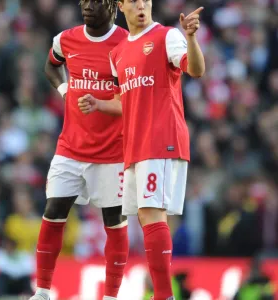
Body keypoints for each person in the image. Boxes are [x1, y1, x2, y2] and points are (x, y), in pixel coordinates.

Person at [78, 0, 205, 299]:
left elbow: (196, 70)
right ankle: (162, 293)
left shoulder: (166, 36)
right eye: (134, 1)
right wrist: (98, 104)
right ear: (121, 5)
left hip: (161, 138)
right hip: (135, 146)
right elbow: (125, 101)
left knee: (152, 212)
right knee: (147, 218)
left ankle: (163, 295)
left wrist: (191, 38)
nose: (141, 6)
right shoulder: (118, 54)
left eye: (146, 1)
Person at [30, 1, 129, 300]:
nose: (88, 6)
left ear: (112, 7)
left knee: (114, 220)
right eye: (85, 1)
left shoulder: (126, 43)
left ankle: (111, 295)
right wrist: (64, 92)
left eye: (96, 2)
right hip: (70, 147)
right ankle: (43, 292)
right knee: (53, 211)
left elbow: (134, 96)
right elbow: (51, 65)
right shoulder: (66, 39)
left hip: (112, 150)